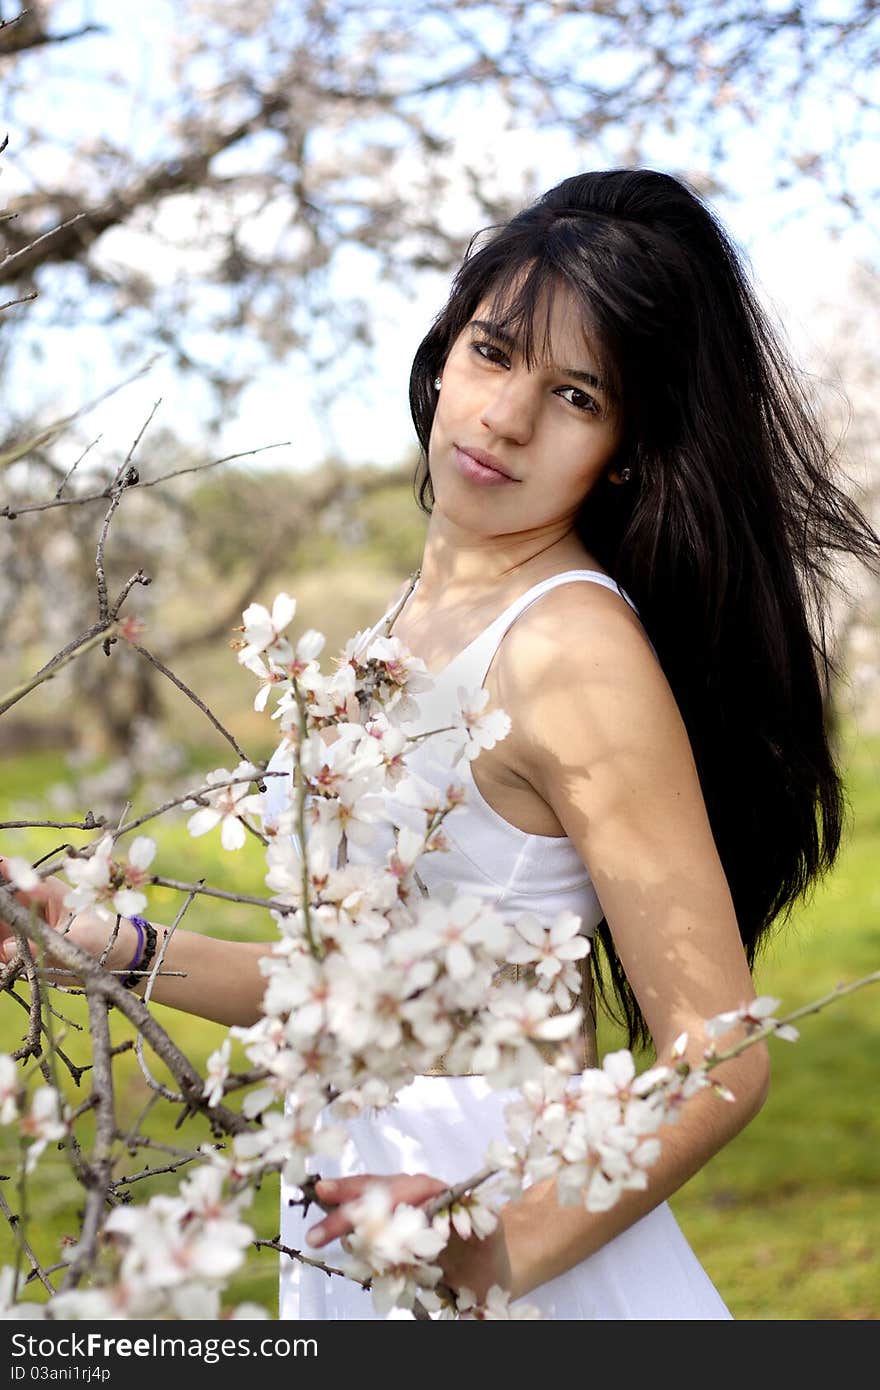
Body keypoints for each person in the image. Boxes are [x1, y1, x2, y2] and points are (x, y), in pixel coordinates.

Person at [2, 168, 878, 1320]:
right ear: (443, 353)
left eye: (577, 395)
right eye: (495, 351)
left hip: (498, 1230)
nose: (506, 416)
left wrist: (489, 1242)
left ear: (622, 445)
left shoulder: (572, 651)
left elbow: (722, 1053)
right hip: (361, 1216)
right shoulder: (395, 631)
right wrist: (109, 943)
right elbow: (352, 996)